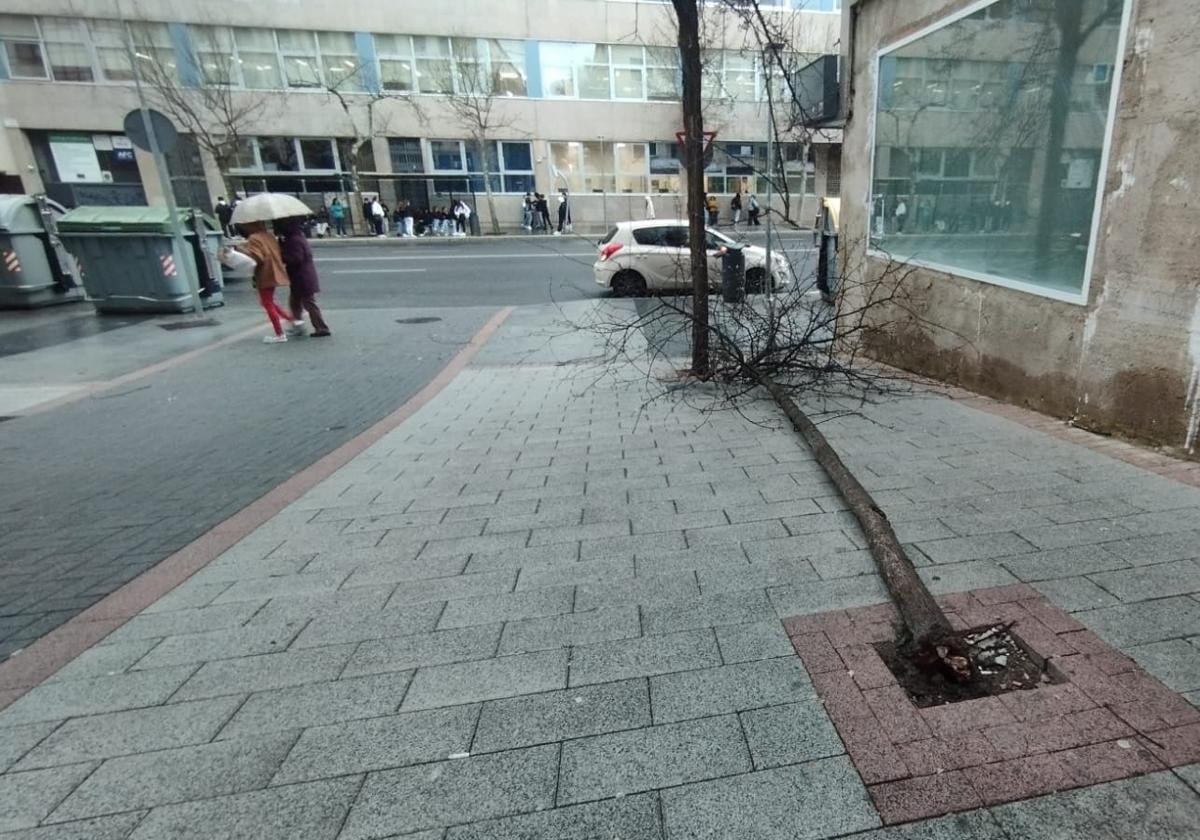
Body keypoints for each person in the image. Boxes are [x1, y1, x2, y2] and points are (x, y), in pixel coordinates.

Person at [234, 221, 292, 344]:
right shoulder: (268, 235)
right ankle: (291, 320)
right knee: (267, 301)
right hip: (274, 270)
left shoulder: (253, 238)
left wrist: (241, 250)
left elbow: (257, 257)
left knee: (267, 303)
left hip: (265, 273)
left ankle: (280, 333)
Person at [279, 217, 331, 338]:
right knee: (295, 302)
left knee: (308, 303)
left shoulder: (294, 240)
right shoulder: (296, 237)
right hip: (301, 276)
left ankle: (321, 327)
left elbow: (296, 258)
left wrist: (283, 255)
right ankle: (298, 326)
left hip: (301, 276)